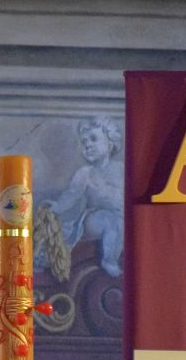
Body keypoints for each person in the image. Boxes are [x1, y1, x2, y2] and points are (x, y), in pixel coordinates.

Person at [44, 117, 125, 277]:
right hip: (94, 218)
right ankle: (109, 261)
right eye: (84, 142)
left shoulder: (122, 170)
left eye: (93, 139)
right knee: (112, 221)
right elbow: (71, 195)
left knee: (122, 222)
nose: (87, 145)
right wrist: (57, 207)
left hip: (121, 215)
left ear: (110, 144)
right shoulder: (85, 173)